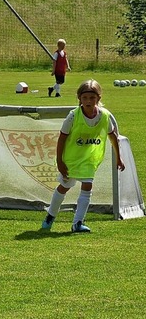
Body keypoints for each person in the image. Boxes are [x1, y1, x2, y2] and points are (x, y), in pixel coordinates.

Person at [41, 79, 124, 233]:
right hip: (71, 159)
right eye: (85, 98)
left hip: (89, 159)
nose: (88, 101)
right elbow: (62, 138)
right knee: (64, 187)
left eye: (92, 98)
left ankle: (77, 223)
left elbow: (113, 136)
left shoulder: (105, 116)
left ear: (98, 98)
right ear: (79, 99)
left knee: (87, 186)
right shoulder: (73, 116)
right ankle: (50, 216)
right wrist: (59, 161)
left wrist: (119, 157)